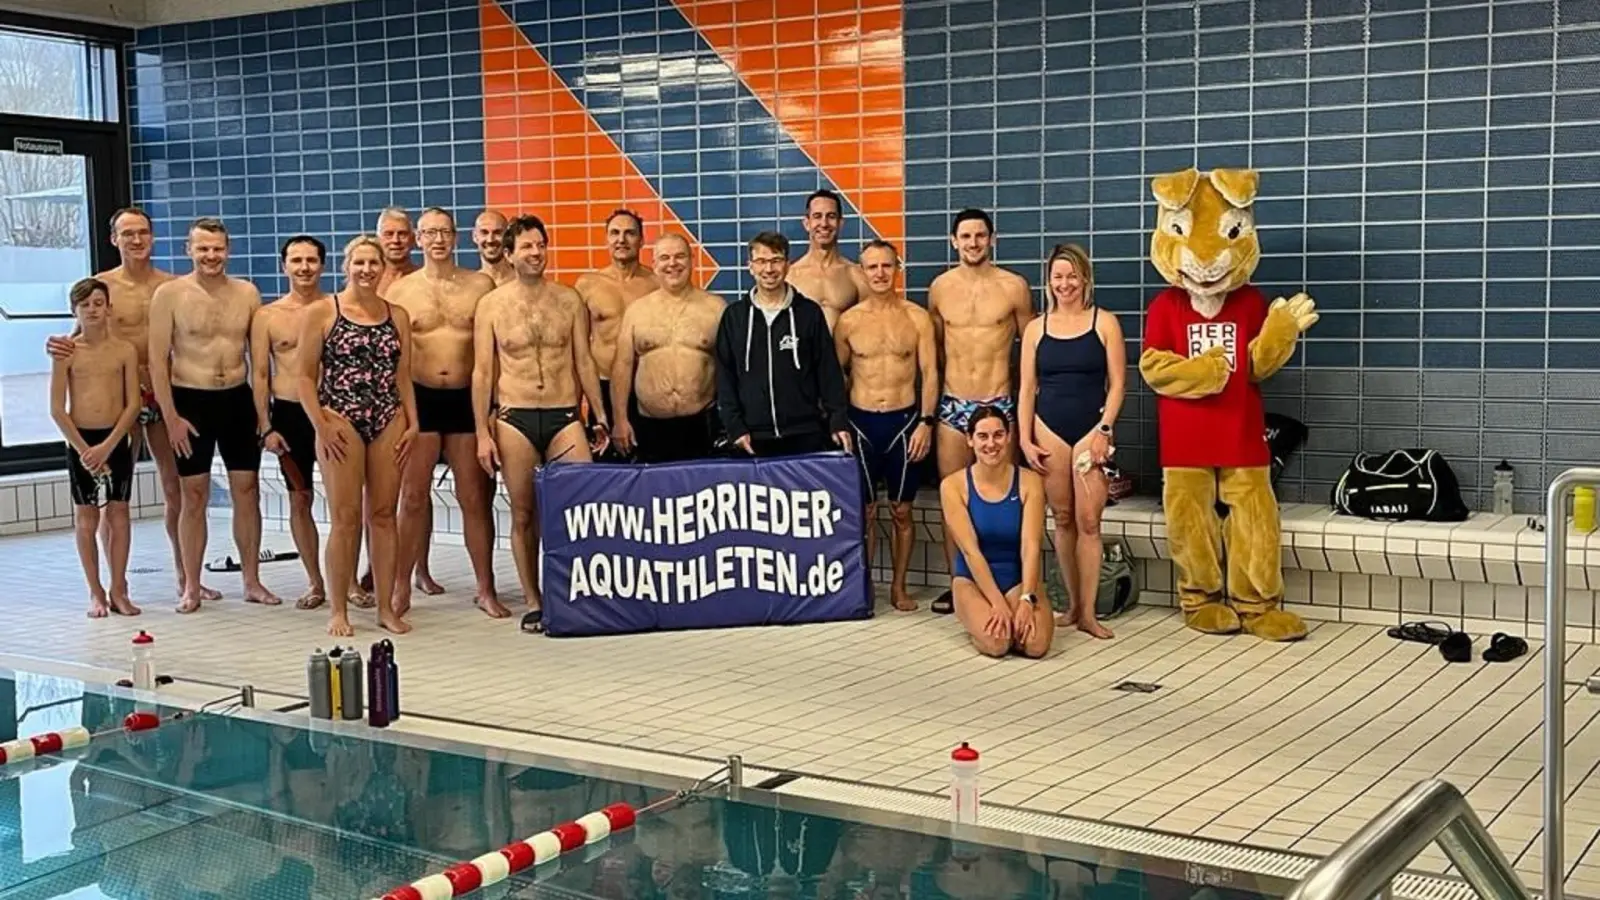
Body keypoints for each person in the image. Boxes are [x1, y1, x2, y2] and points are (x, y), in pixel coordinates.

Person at [45, 208, 217, 604]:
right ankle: (113, 586)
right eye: (128, 234)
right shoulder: (102, 288)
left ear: (152, 238)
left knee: (176, 489)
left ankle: (184, 575)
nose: (136, 241)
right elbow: (77, 337)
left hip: (163, 391)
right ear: (114, 240)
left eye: (143, 233)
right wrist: (55, 346)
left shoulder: (171, 285)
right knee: (114, 498)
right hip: (121, 396)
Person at [474, 215, 608, 633]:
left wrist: (599, 415)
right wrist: (482, 432)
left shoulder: (568, 300)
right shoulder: (491, 305)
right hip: (514, 416)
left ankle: (577, 591)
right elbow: (482, 372)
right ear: (510, 255)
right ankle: (534, 600)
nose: (536, 253)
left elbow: (583, 361)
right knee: (523, 513)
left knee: (580, 506)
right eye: (527, 247)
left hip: (565, 413)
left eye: (540, 245)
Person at [148, 217, 282, 613]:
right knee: (194, 495)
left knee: (248, 490)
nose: (211, 256)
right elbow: (157, 361)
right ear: (189, 250)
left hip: (237, 400)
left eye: (217, 248)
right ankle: (191, 584)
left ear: (228, 249)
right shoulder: (169, 295)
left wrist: (263, 413)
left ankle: (252, 580)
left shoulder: (247, 293)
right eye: (203, 248)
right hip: (191, 401)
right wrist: (170, 416)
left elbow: (260, 361)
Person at [296, 234, 419, 637]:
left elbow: (402, 375)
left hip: (388, 417)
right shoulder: (322, 312)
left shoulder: (396, 315)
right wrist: (320, 424)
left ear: (383, 268)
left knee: (384, 515)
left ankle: (385, 607)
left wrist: (413, 421)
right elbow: (304, 377)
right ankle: (338, 610)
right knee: (345, 518)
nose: (366, 270)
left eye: (374, 263)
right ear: (346, 266)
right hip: (339, 417)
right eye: (359, 263)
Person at [385, 207, 504, 619]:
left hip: (466, 399)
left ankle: (485, 588)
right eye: (429, 233)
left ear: (456, 238)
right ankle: (401, 586)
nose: (437, 239)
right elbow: (393, 358)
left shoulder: (480, 285)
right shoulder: (400, 291)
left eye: (444, 232)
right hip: (420, 399)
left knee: (474, 498)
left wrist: (490, 410)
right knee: (413, 496)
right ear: (418, 239)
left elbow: (493, 353)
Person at [927, 208, 1034, 615]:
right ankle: (960, 582)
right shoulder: (940, 288)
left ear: (992, 239)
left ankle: (1019, 582)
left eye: (980, 236)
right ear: (954, 241)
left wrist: (1026, 411)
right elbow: (937, 349)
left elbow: (1032, 348)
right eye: (965, 236)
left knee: (1007, 498)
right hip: (955, 403)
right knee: (953, 495)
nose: (973, 243)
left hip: (1000, 403)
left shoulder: (1014, 287)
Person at [1019, 244, 1125, 640]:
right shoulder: (1036, 328)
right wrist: (1026, 440)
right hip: (1049, 428)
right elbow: (1027, 388)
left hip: (1090, 431)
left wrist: (1105, 430)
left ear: (1085, 279)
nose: (1064, 284)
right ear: (1049, 282)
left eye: (1071, 276)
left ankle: (1090, 612)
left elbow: (1117, 385)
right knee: (1062, 519)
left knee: (1089, 521)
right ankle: (1073, 606)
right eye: (1057, 277)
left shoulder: (1104, 323)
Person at [834, 240, 937, 612]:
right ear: (862, 271)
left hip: (904, 422)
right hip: (861, 423)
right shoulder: (849, 321)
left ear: (897, 268)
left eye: (886, 266)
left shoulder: (916, 317)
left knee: (901, 510)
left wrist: (926, 422)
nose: (879, 273)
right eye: (872, 267)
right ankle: (864, 585)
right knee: (865, 512)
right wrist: (837, 423)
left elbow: (931, 373)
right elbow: (836, 378)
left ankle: (899, 586)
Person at [49, 277, 142, 618]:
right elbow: (57, 409)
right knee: (86, 517)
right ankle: (96, 591)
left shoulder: (124, 350)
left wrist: (108, 446)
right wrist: (85, 449)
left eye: (98, 303)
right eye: (85, 304)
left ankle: (119, 587)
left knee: (119, 514)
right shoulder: (67, 353)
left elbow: (133, 405)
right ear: (74, 310)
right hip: (81, 442)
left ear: (108, 308)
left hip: (114, 439)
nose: (92, 309)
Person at [714, 231, 851, 457]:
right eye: (761, 261)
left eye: (776, 260)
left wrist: (838, 420)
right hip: (752, 438)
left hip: (804, 434)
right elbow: (725, 376)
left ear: (787, 265)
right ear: (750, 266)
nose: (769, 269)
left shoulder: (808, 313)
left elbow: (828, 372)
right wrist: (735, 427)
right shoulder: (734, 317)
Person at [250, 235, 332, 611]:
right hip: (289, 413)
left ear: (323, 265)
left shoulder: (336, 309)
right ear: (284, 265)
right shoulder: (267, 316)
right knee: (300, 498)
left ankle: (349, 581)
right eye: (296, 260)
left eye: (311, 260)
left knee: (350, 503)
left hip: (333, 413)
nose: (304, 268)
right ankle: (316, 582)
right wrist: (266, 425)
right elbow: (261, 377)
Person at [938, 405, 1053, 659]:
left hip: (1016, 579)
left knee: (1035, 646)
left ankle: (1015, 612)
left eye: (998, 435)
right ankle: (973, 620)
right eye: (982, 436)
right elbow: (970, 552)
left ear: (1009, 436)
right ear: (969, 440)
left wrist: (1026, 598)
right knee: (997, 643)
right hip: (972, 581)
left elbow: (1031, 545)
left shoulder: (1029, 481)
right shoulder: (953, 486)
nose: (991, 444)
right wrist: (997, 603)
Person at [610, 234, 724, 463]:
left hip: (702, 426)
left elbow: (731, 370)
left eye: (680, 256)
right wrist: (620, 419)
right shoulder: (637, 311)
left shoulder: (716, 308)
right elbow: (622, 366)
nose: (672, 264)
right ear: (654, 265)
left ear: (692, 260)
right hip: (650, 428)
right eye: (664, 258)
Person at [576, 209, 659, 448]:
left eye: (629, 233)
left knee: (648, 468)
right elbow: (578, 351)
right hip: (602, 387)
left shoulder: (656, 284)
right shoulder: (589, 285)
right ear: (606, 240)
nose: (621, 240)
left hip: (645, 388)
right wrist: (577, 406)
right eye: (614, 233)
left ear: (641, 240)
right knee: (609, 472)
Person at [786, 189, 867, 331]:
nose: (824, 223)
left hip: (840, 352)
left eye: (831, 216)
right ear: (807, 223)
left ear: (840, 223)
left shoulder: (856, 275)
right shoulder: (790, 277)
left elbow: (871, 326)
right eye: (817, 216)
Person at [375, 206, 420, 295]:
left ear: (413, 239)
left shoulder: (425, 280)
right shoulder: (370, 281)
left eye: (402, 234)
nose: (396, 240)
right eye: (389, 234)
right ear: (379, 240)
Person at [472, 210, 514, 285]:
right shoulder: (470, 286)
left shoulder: (523, 282)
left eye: (497, 232)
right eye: (484, 232)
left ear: (508, 236)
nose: (490, 240)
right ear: (475, 236)